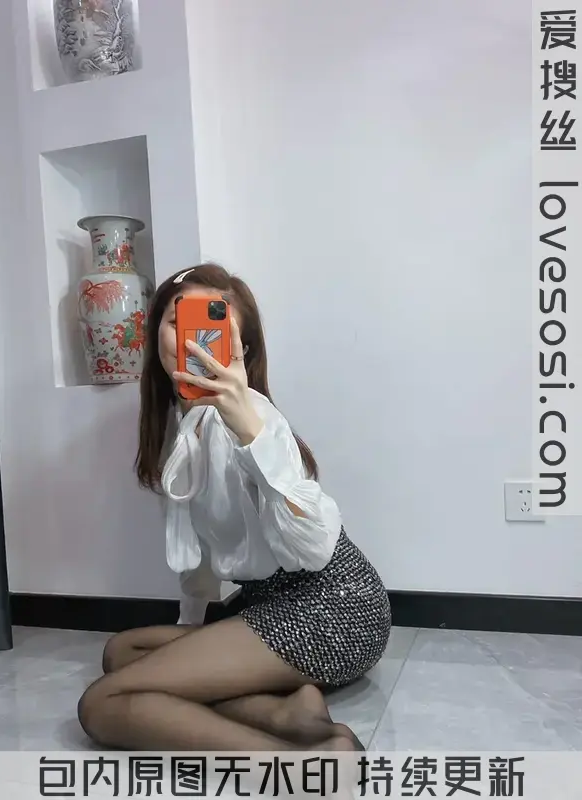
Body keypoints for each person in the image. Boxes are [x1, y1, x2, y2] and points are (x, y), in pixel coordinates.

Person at [77, 263, 391, 752]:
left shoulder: (254, 419)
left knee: (103, 704)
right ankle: (285, 714)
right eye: (176, 322)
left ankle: (302, 768)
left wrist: (249, 430)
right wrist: (191, 644)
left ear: (240, 348)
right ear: (157, 332)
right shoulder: (180, 423)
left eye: (213, 328)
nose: (192, 340)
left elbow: (313, 548)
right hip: (267, 605)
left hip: (334, 607)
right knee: (124, 651)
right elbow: (197, 553)